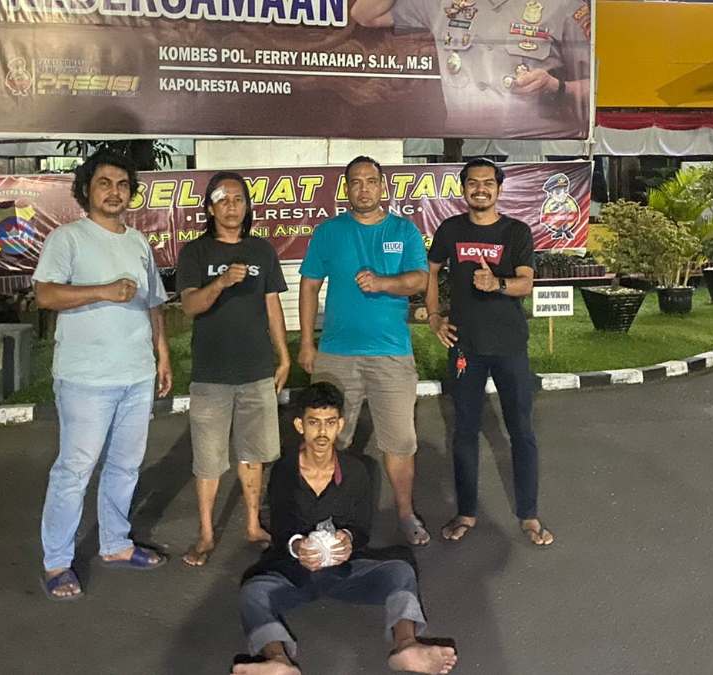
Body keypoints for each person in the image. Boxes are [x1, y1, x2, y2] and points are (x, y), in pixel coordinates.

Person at [231, 382, 458, 675]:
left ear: (340, 425)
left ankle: (406, 644)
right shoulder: (284, 472)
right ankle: (278, 659)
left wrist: (348, 540)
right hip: (295, 572)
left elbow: (361, 527)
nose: (322, 432)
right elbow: (282, 527)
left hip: (345, 569)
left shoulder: (356, 471)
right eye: (314, 423)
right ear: (300, 425)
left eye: (329, 423)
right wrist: (298, 547)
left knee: (400, 571)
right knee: (253, 592)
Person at [34, 150, 172, 601]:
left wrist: (162, 355)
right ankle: (57, 562)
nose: (115, 192)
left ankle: (115, 543)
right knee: (75, 469)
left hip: (136, 373)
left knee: (126, 465)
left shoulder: (138, 243)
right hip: (85, 379)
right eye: (104, 183)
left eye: (122, 185)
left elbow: (154, 303)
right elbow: (45, 295)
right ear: (86, 190)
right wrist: (103, 291)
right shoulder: (68, 239)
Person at [298, 156, 432, 546]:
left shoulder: (403, 230)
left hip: (391, 354)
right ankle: (324, 516)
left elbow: (419, 280)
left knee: (400, 441)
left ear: (382, 187)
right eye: (355, 182)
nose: (363, 188)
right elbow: (309, 286)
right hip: (336, 355)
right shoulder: (329, 232)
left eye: (371, 181)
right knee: (328, 439)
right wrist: (306, 342)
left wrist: (382, 283)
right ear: (346, 189)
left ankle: (405, 514)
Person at [424, 158, 554, 547]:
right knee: (464, 431)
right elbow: (431, 271)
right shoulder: (450, 229)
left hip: (509, 347)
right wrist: (434, 316)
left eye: (488, 183)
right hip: (465, 348)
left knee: (521, 431)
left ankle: (529, 514)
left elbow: (526, 283)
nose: (480, 189)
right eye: (472, 183)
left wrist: (496, 283)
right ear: (463, 188)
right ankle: (466, 512)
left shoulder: (516, 231)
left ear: (498, 189)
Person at [176, 171, 291, 567]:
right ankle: (206, 534)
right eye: (222, 200)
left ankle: (253, 525)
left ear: (247, 206)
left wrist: (284, 355)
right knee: (208, 459)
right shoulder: (196, 253)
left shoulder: (262, 251)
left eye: (238, 199)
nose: (231, 207)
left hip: (256, 370)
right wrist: (222, 282)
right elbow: (189, 306)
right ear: (210, 208)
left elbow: (273, 306)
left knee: (254, 454)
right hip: (211, 374)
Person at [351, 0, 592, 139]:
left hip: (536, 146)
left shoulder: (563, 5)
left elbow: (596, 87)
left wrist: (556, 86)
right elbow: (365, 14)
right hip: (460, 144)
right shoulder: (444, 3)